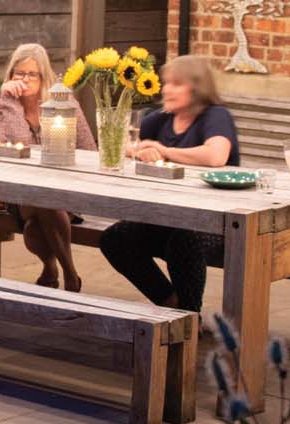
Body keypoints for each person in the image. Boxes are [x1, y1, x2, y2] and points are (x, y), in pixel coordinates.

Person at [98, 55, 239, 312]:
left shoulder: (215, 116)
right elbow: (121, 145)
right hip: (167, 215)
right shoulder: (157, 119)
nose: (167, 89)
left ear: (197, 88)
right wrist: (139, 150)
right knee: (115, 238)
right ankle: (171, 304)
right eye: (166, 83)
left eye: (176, 83)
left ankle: (189, 314)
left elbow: (216, 155)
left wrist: (164, 151)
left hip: (216, 221)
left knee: (184, 240)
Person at [0, 43, 96, 291]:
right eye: (18, 73)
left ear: (43, 77)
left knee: (39, 218)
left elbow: (89, 151)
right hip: (20, 195)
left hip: (66, 190)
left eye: (31, 74)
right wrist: (11, 101)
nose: (24, 79)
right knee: (40, 197)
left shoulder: (66, 106)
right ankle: (71, 274)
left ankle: (51, 269)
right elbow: (20, 144)